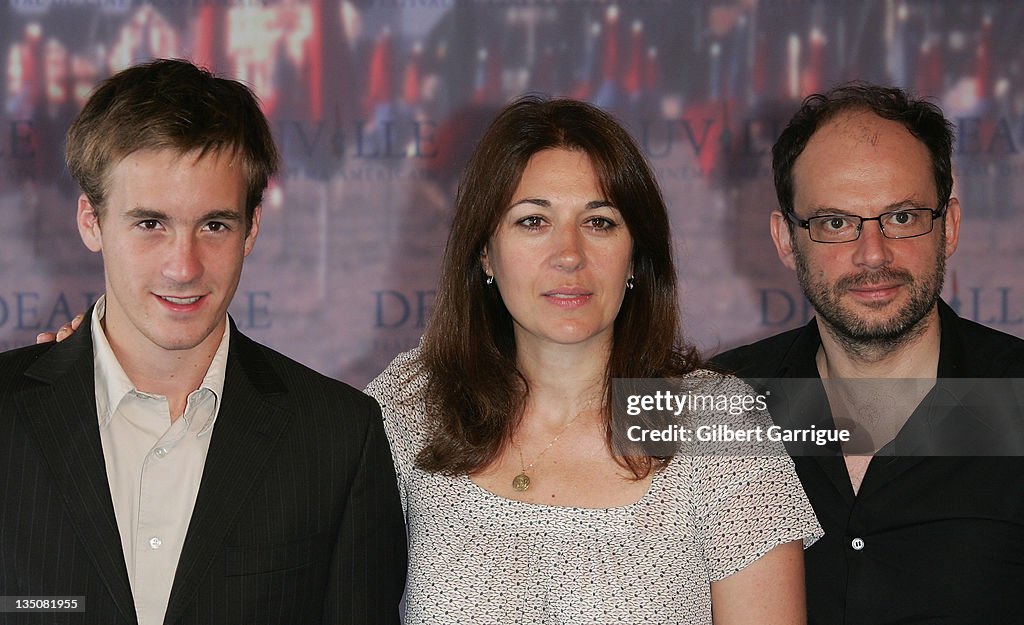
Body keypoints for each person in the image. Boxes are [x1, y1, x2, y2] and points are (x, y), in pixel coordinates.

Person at [365, 95, 820, 624]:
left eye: (600, 222)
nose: (569, 254)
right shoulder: (409, 405)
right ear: (485, 252)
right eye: (533, 221)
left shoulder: (715, 421)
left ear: (635, 255)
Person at [0, 59, 406, 625]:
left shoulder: (337, 439)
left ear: (252, 230)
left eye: (214, 225)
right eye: (150, 224)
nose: (183, 266)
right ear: (91, 222)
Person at [712, 83, 1024, 624]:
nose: (872, 253)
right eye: (835, 222)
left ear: (947, 226)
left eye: (902, 217)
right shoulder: (715, 407)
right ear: (786, 241)